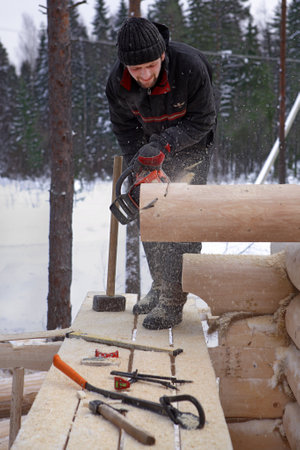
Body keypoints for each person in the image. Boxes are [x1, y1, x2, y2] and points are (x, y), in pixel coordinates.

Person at [106, 17, 217, 330]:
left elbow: (204, 120)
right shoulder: (116, 83)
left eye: (151, 66)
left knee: (182, 217)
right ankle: (160, 284)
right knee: (149, 212)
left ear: (163, 56)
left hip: (192, 143)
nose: (144, 75)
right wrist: (139, 164)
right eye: (136, 69)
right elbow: (125, 129)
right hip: (147, 147)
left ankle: (173, 300)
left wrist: (165, 146)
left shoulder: (190, 67)